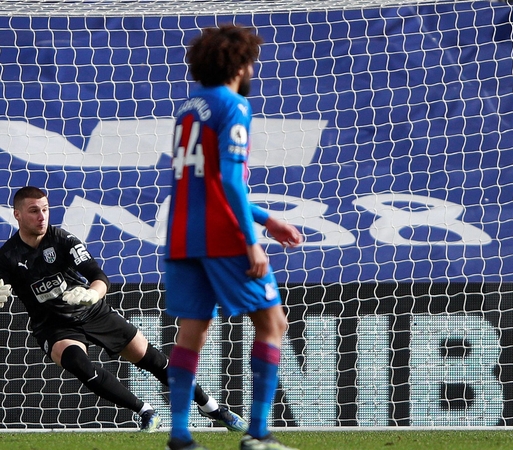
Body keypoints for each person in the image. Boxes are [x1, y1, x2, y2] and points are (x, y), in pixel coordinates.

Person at [0, 186, 247, 433]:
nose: (42, 216)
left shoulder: (63, 240)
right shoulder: (7, 256)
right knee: (77, 362)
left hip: (92, 311)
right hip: (53, 325)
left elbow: (98, 276)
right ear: (17, 215)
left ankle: (212, 408)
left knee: (154, 361)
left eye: (45, 209)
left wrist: (91, 293)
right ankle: (146, 411)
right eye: (34, 211)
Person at [164, 24, 303, 450]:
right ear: (240, 64)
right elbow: (228, 180)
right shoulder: (234, 107)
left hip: (182, 236)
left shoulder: (187, 109)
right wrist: (251, 239)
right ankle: (258, 434)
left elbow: (203, 182)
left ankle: (180, 436)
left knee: (193, 332)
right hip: (223, 237)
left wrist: (267, 218)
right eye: (251, 62)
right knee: (272, 322)